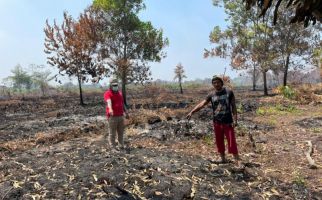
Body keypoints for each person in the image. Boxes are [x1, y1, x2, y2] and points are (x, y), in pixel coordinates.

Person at [186, 76, 239, 164]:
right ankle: (223, 159)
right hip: (217, 122)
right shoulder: (211, 95)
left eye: (218, 82)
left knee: (231, 141)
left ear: (222, 83)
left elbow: (233, 106)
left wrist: (235, 120)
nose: (216, 84)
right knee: (219, 141)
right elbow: (202, 104)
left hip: (228, 122)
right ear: (212, 84)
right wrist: (192, 111)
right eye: (214, 83)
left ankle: (237, 160)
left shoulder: (229, 92)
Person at [104, 77, 129, 151]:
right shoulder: (107, 94)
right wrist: (110, 109)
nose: (115, 86)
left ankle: (121, 145)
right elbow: (109, 102)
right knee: (112, 133)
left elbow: (122, 103)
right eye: (114, 85)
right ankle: (112, 147)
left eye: (116, 85)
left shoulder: (120, 93)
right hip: (112, 117)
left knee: (121, 132)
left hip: (121, 116)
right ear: (110, 86)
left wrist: (126, 112)